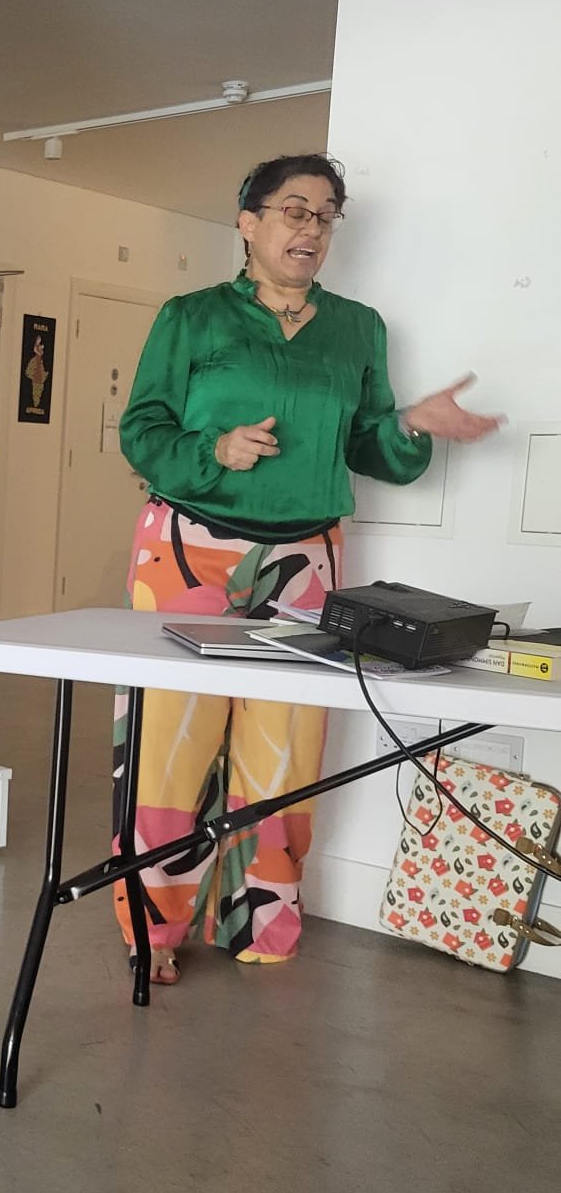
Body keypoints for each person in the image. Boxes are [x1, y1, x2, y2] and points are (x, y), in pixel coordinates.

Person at [114, 154, 500, 983]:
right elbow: (142, 431)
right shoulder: (191, 317)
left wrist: (412, 425)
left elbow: (371, 449)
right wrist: (213, 449)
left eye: (326, 215)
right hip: (187, 547)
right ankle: (154, 928)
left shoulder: (358, 328)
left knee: (285, 748)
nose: (312, 229)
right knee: (170, 744)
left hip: (306, 556)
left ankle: (262, 920)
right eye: (294, 210)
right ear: (248, 222)